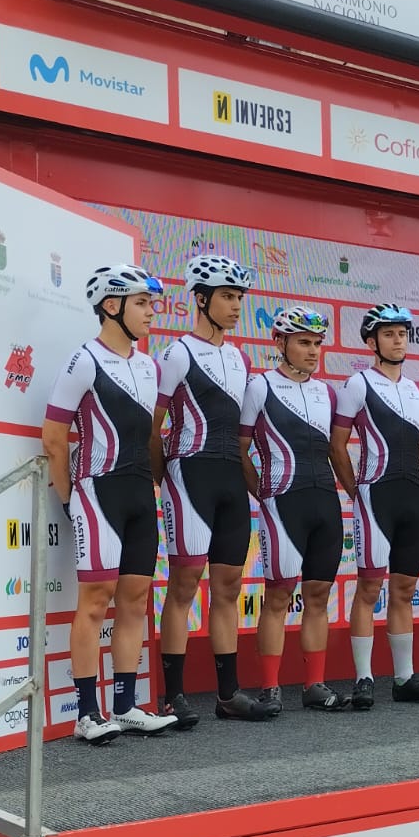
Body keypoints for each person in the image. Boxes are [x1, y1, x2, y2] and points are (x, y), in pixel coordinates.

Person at [42, 264, 176, 744]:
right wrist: (68, 498)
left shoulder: (151, 366)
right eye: (142, 303)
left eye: (152, 303)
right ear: (112, 306)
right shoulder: (85, 360)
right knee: (96, 600)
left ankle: (125, 706)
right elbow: (53, 437)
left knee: (135, 601)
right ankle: (85, 714)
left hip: (140, 494)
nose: (151, 312)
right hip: (98, 492)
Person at [153, 254, 264, 722]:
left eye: (239, 297)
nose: (236, 305)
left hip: (230, 479)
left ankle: (228, 694)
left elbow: (243, 433)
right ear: (200, 299)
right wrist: (162, 479)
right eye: (227, 297)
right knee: (183, 585)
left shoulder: (240, 358)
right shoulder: (177, 353)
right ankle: (173, 696)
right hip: (189, 476)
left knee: (228, 587)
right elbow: (152, 427)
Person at [330, 304, 419, 708]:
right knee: (369, 588)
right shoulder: (358, 384)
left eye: (402, 334)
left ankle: (404, 678)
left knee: (405, 589)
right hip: (375, 496)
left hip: (413, 497)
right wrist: (357, 491)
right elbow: (337, 445)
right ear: (371, 342)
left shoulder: (416, 390)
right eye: (389, 334)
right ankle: (364, 678)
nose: (398, 341)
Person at [241, 306, 344, 714]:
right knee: (278, 596)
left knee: (318, 595)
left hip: (325, 503)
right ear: (280, 342)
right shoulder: (260, 387)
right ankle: (270, 688)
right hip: (283, 502)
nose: (313, 350)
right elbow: (240, 450)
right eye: (304, 342)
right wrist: (264, 494)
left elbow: (334, 450)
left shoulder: (327, 392)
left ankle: (314, 685)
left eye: (317, 343)